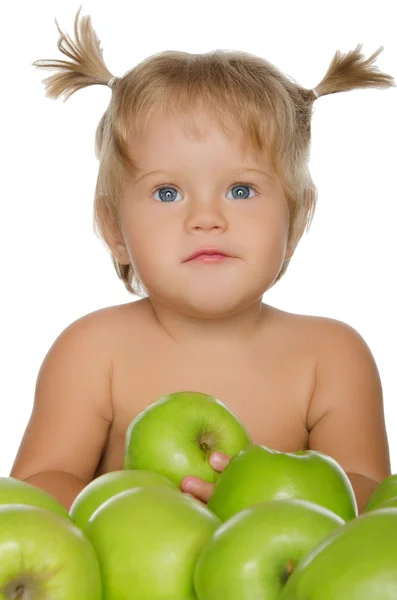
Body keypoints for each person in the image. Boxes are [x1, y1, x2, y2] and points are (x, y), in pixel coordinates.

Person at [10, 7, 394, 514]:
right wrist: (143, 504)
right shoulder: (93, 352)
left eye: (241, 189)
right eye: (167, 193)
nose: (206, 217)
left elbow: (368, 498)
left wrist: (258, 499)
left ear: (296, 222)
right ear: (113, 230)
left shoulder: (331, 356)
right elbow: (36, 487)